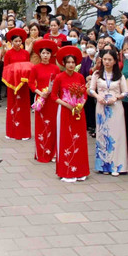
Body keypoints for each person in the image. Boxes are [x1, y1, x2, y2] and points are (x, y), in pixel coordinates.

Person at [89, 48, 128, 176]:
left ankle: (117, 165)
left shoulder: (120, 76)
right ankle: (104, 165)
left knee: (116, 135)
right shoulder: (97, 74)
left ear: (115, 61)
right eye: (105, 59)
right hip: (101, 107)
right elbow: (91, 89)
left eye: (110, 60)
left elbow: (126, 92)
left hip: (116, 107)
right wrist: (97, 96)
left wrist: (116, 98)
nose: (107, 62)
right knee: (102, 134)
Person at [55, 50, 89, 182]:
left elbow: (84, 94)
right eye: (68, 62)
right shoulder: (59, 77)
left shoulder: (80, 77)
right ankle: (66, 171)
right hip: (65, 111)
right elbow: (54, 96)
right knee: (66, 139)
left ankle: (80, 171)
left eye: (73, 62)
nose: (70, 65)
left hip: (79, 112)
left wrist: (81, 105)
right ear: (63, 64)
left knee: (79, 140)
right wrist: (67, 105)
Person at [1, 28, 34, 142]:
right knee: (13, 106)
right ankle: (12, 132)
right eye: (16, 41)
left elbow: (28, 67)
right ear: (11, 42)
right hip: (12, 84)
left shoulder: (25, 53)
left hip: (23, 84)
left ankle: (25, 132)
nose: (18, 43)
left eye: (20, 41)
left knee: (24, 107)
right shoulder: (8, 54)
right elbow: (6, 69)